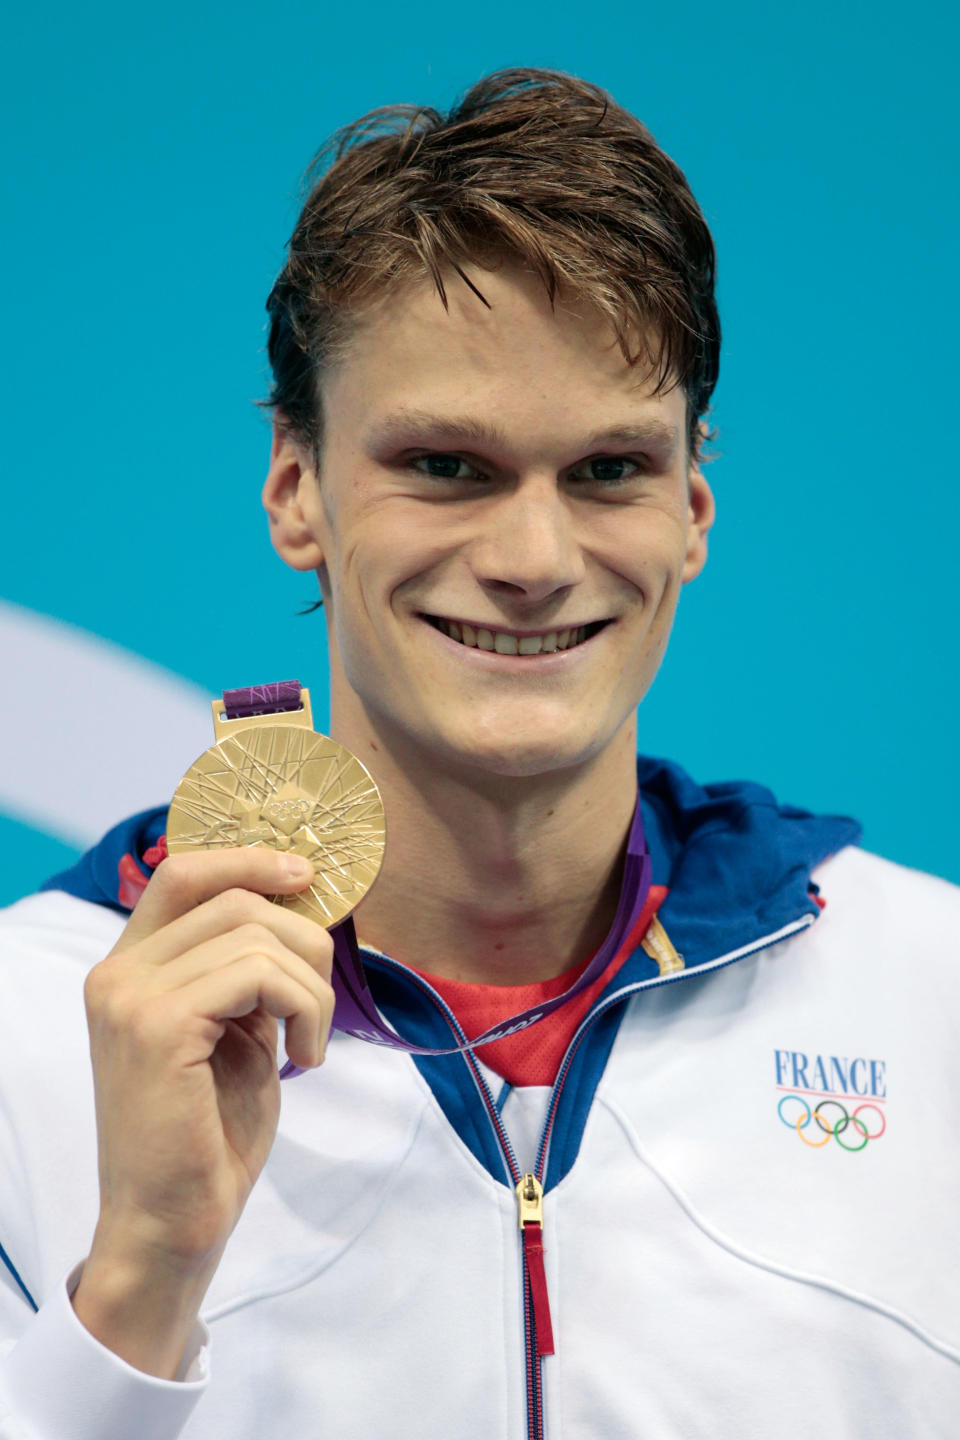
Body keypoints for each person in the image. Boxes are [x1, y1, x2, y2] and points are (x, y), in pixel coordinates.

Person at [1, 65, 958, 1440]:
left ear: (694, 507)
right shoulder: (25, 1033)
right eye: (447, 465)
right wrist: (142, 1280)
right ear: (296, 489)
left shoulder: (931, 1002)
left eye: (608, 470)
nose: (531, 559)